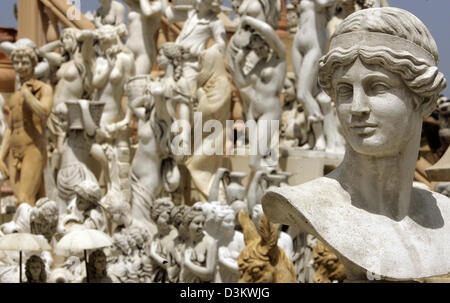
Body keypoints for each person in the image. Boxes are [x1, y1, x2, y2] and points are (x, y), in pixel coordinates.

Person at [263, 7, 449, 281]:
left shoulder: (444, 215)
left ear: (424, 100)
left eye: (377, 87)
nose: (357, 108)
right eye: (345, 91)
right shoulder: (310, 204)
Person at [227, 16, 286, 171]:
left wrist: (247, 20)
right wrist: (238, 63)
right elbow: (242, 83)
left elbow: (268, 31)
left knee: (254, 161)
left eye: (261, 47)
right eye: (256, 50)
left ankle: (273, 178)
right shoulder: (260, 64)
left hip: (270, 112)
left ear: (268, 44)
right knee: (264, 157)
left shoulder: (279, 58)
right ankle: (271, 181)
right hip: (253, 114)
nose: (259, 52)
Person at [0, 47, 53, 206]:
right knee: (22, 201)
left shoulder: (43, 88)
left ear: (33, 64)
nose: (20, 65)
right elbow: (10, 128)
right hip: (14, 151)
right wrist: (1, 155)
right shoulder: (15, 95)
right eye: (16, 62)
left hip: (32, 148)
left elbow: (44, 111)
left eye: (24, 62)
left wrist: (28, 95)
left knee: (25, 199)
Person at [181, 203, 218, 282]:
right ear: (188, 224)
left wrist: (188, 263)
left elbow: (209, 274)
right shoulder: (186, 243)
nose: (201, 226)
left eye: (203, 223)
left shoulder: (210, 243)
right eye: (197, 223)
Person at [124, 0, 162, 74]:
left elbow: (147, 12)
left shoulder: (159, 5)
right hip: (128, 47)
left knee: (137, 82)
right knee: (121, 83)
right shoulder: (135, 4)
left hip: (144, 51)